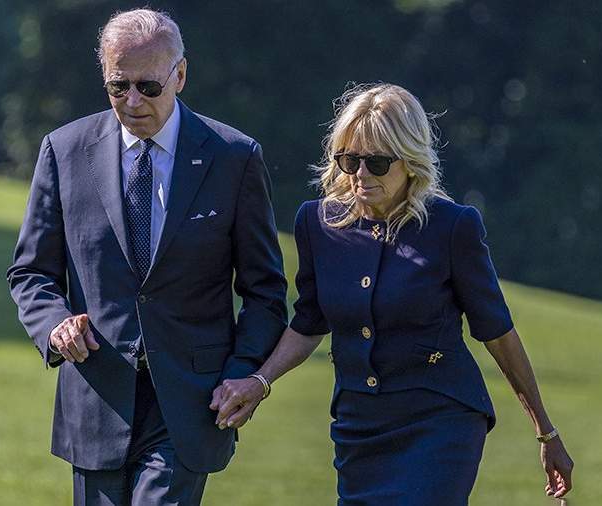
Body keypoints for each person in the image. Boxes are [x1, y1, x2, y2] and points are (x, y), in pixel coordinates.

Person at [211, 83, 574, 505]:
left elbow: (497, 333)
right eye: (349, 160)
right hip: (359, 427)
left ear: (410, 161)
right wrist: (260, 381)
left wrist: (545, 431)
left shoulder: (452, 227)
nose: (361, 175)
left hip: (440, 420)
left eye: (378, 163)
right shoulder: (317, 224)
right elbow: (309, 322)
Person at [7, 8, 287, 506]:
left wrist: (244, 372)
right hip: (97, 397)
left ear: (180, 75)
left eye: (148, 86)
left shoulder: (233, 158)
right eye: (118, 87)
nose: (133, 101)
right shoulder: (63, 151)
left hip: (190, 401)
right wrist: (54, 325)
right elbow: (31, 272)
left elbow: (265, 291)